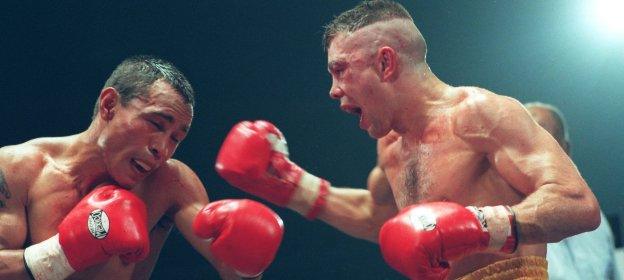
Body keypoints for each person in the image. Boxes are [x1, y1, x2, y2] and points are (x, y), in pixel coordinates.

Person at [214, 1, 601, 279]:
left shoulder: (481, 114)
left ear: (385, 63)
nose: (333, 90)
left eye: (341, 70)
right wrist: (293, 186)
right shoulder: (390, 146)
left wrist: (481, 225)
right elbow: (379, 217)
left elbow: (578, 204)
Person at [0, 55, 284, 280]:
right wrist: (62, 254)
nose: (162, 148)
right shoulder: (17, 168)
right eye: (156, 124)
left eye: (176, 138)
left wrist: (250, 260)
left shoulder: (171, 182)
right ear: (109, 105)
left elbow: (233, 270)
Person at [525, 102, 619, 280]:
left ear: (565, 149)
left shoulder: (595, 221)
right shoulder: (506, 228)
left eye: (539, 133)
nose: (528, 147)